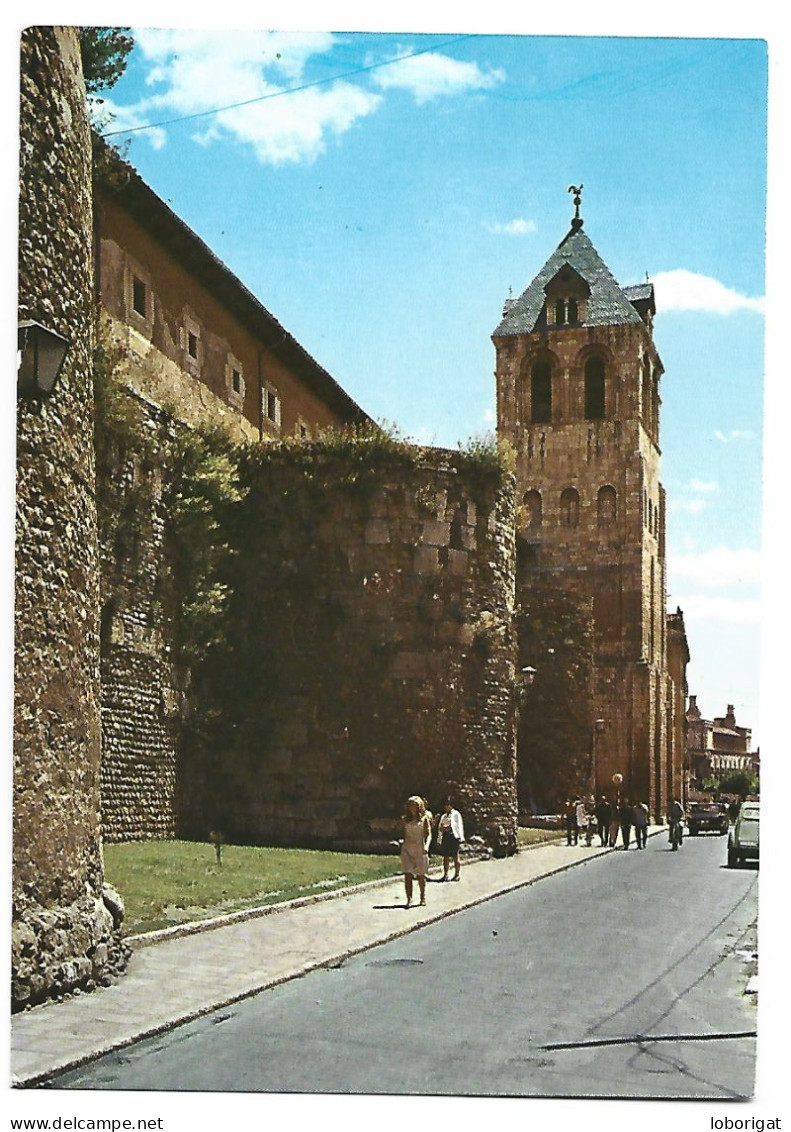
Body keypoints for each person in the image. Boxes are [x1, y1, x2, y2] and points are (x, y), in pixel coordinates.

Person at [400, 796, 432, 908]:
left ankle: (422, 897)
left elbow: (428, 835)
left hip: (420, 849)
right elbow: (402, 834)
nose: (412, 808)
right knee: (408, 874)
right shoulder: (405, 820)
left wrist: (426, 847)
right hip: (407, 849)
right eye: (410, 805)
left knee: (420, 876)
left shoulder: (424, 819)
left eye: (414, 805)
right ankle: (409, 899)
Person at [436, 798, 465, 881]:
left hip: (453, 837)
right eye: (445, 805)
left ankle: (457, 874)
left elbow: (458, 825)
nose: (446, 807)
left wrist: (460, 837)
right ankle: (445, 874)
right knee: (446, 857)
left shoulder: (456, 814)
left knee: (455, 856)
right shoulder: (444, 816)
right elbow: (440, 828)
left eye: (448, 805)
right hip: (446, 837)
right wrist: (439, 838)